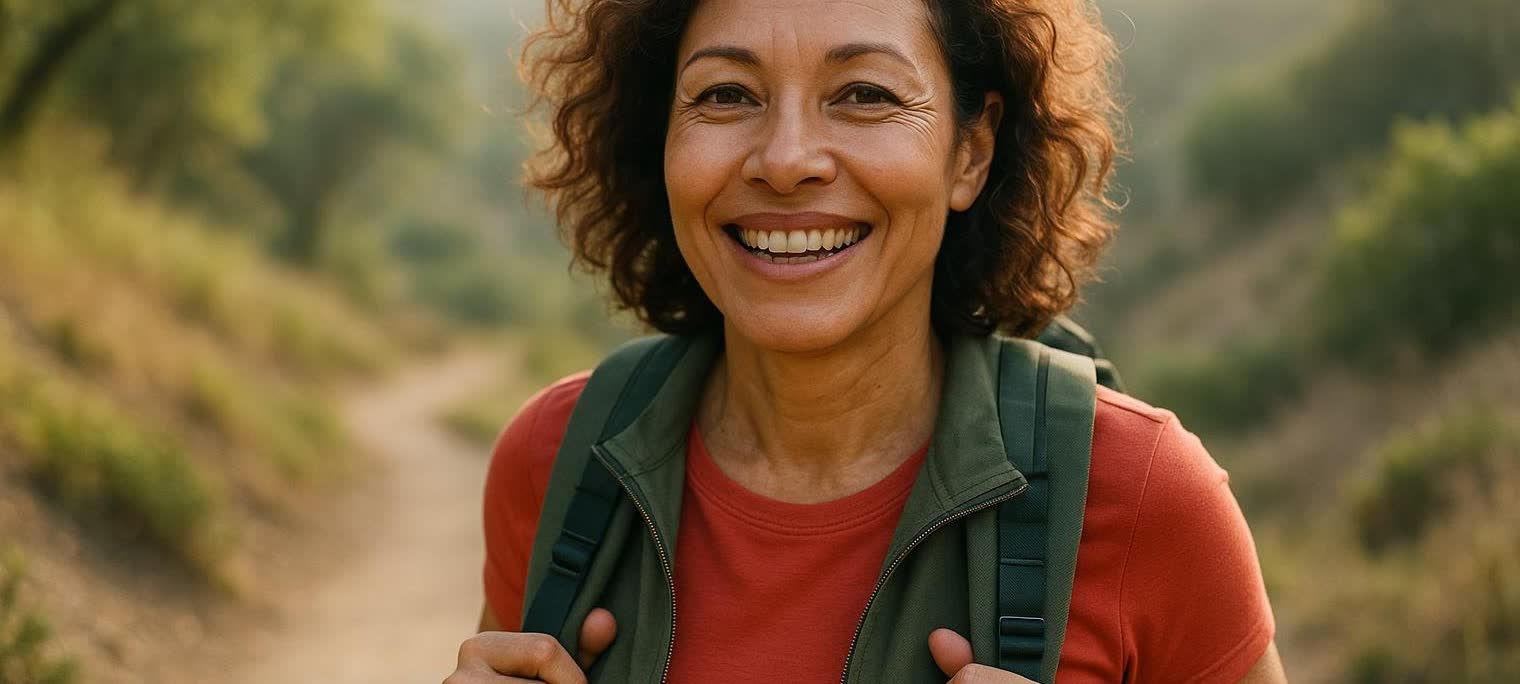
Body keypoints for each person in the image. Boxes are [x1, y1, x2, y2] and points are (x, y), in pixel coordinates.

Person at [447, 0, 1287, 682]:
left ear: (971, 151)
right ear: (658, 138)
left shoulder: (1146, 500)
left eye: (865, 94)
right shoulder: (555, 461)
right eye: (725, 95)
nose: (786, 160)